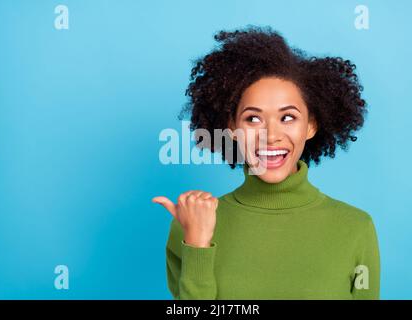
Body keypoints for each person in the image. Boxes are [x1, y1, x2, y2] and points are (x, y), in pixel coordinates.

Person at [153, 25, 380, 300]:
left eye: (287, 118)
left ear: (310, 126)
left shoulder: (356, 228)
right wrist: (198, 245)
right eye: (253, 118)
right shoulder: (190, 225)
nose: (271, 136)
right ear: (232, 128)